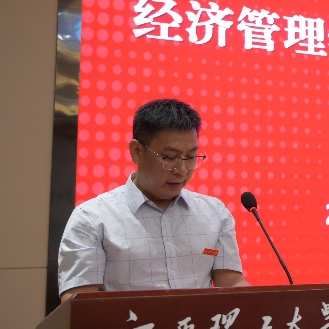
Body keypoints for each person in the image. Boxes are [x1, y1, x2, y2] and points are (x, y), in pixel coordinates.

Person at [58, 98, 251, 301]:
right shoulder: (92, 218)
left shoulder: (214, 213)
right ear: (137, 151)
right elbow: (78, 301)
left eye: (190, 157)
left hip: (196, 323)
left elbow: (231, 283)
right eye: (169, 158)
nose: (182, 170)